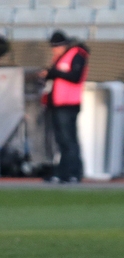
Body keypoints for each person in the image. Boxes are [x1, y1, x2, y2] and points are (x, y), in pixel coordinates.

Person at [40, 30, 88, 184]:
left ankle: (73, 172)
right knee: (62, 141)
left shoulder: (77, 54)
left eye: (55, 47)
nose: (54, 50)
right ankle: (64, 172)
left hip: (68, 104)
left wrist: (54, 72)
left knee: (68, 140)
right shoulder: (63, 57)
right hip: (58, 104)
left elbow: (75, 76)